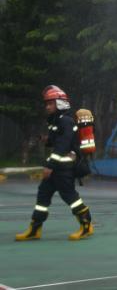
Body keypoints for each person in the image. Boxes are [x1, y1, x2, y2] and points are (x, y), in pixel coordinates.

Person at [15, 86, 94, 242]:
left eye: (50, 103)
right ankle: (34, 229)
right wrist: (45, 139)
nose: (47, 107)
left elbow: (63, 145)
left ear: (60, 103)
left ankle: (86, 227)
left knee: (71, 198)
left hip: (64, 169)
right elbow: (56, 141)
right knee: (42, 196)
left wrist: (49, 165)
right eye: (47, 104)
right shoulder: (56, 121)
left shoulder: (66, 121)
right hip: (57, 167)